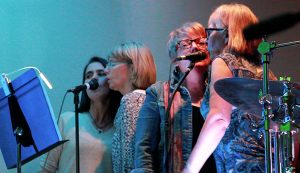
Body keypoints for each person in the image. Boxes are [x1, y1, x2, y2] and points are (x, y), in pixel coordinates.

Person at [183, 3, 278, 173]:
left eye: (209, 31)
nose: (206, 39)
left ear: (226, 34)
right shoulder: (266, 72)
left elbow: (219, 119)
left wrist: (189, 168)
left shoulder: (224, 62)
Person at [131, 22, 216, 173]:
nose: (195, 47)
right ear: (174, 58)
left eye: (201, 42)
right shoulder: (158, 94)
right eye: (185, 43)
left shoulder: (220, 94)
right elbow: (144, 150)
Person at [39, 56, 122, 173]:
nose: (94, 78)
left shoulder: (120, 128)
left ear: (110, 81)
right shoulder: (66, 120)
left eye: (101, 73)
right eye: (88, 76)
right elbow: (46, 169)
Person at [104, 42, 156, 173]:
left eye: (112, 64)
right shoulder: (147, 99)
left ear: (132, 68)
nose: (106, 70)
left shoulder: (132, 101)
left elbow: (129, 159)